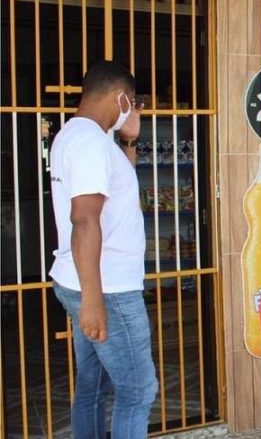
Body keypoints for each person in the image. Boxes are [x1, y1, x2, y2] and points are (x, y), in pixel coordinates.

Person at [49, 61, 157, 438]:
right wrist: (94, 301)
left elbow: (117, 185)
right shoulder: (91, 143)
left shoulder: (79, 137)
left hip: (85, 280)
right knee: (138, 391)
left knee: (93, 385)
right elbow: (85, 220)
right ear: (122, 97)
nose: (131, 109)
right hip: (108, 289)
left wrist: (128, 139)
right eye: (132, 103)